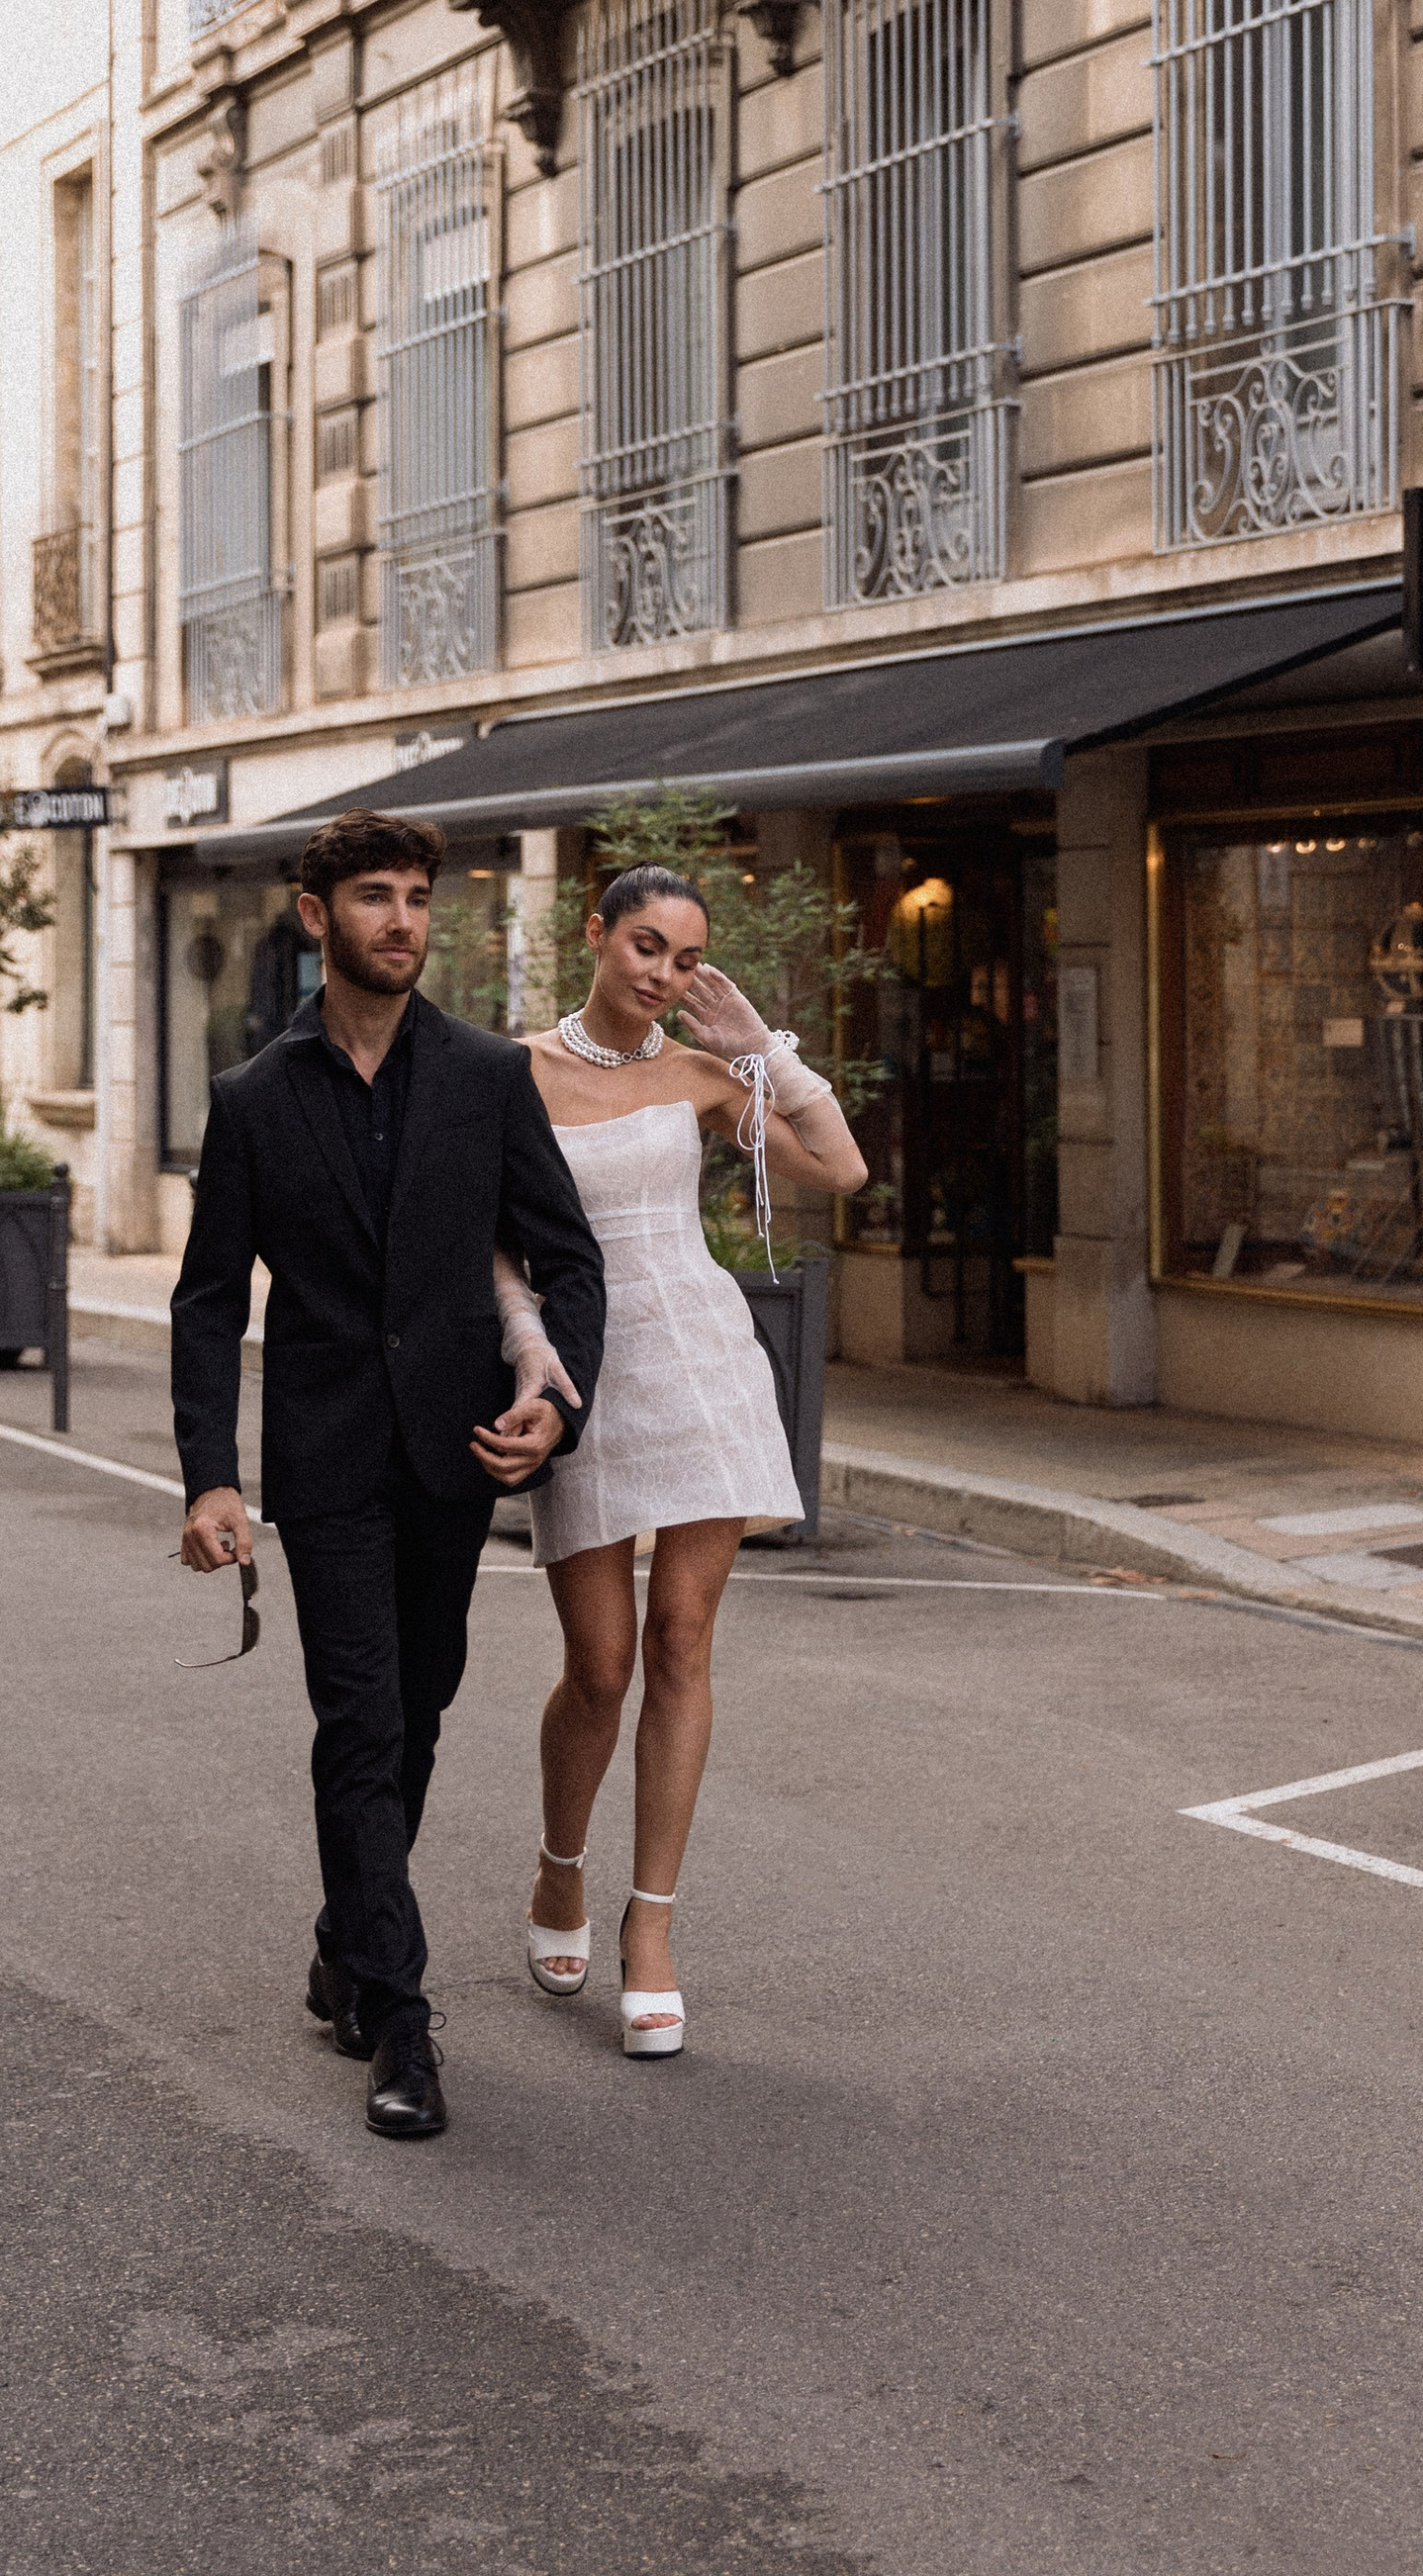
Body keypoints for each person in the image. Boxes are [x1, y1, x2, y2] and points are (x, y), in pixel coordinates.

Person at [171, 810, 606, 2141]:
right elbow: (204, 1305)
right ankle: (402, 2022)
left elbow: (569, 1260)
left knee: (417, 1713)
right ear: (318, 918)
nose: (405, 919)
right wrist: (211, 1478)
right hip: (328, 1461)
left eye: (419, 897)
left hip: (456, 1450)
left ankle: (344, 1937)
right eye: (376, 897)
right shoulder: (255, 1101)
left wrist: (554, 1404)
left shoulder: (484, 1078)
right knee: (361, 1722)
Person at [498, 864, 867, 2057]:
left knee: (683, 1641)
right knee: (599, 1666)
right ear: (595, 936)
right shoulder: (511, 1073)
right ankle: (561, 1869)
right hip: (581, 1371)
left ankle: (649, 1928)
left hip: (700, 1362)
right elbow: (487, 1243)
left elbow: (839, 1168)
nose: (662, 974)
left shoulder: (706, 1075)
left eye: (686, 959)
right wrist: (525, 1351)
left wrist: (769, 1048)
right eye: (645, 946)